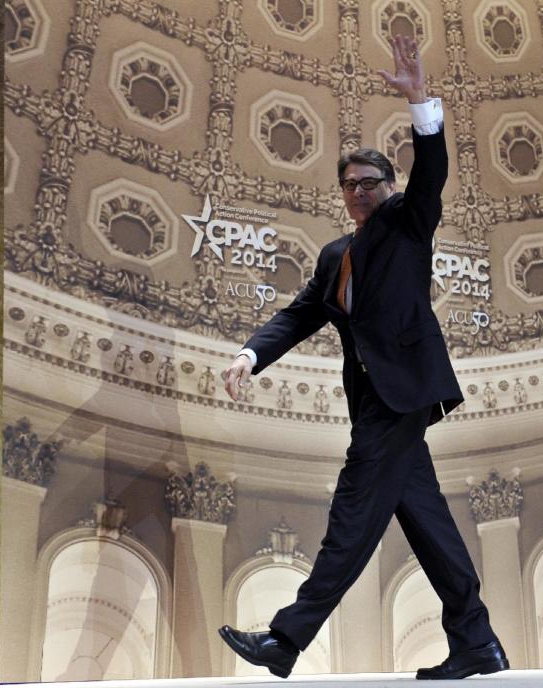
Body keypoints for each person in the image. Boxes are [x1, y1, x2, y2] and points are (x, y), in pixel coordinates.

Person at [217, 35, 507, 681]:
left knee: (351, 516)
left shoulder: (408, 220)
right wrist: (249, 355)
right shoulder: (333, 257)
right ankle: (476, 642)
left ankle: (285, 642)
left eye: (367, 183)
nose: (356, 193)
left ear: (389, 185)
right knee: (428, 523)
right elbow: (298, 315)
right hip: (374, 400)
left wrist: (419, 102)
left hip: (401, 396)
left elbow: (432, 170)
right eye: (347, 185)